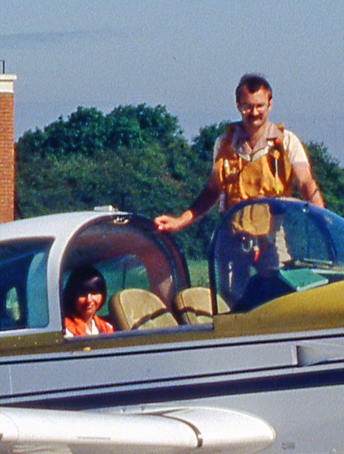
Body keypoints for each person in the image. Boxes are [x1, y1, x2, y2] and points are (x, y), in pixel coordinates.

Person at [154, 74, 324, 234]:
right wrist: (180, 221)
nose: (254, 112)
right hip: (233, 235)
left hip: (274, 235)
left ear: (270, 104)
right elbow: (212, 190)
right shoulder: (224, 143)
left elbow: (305, 182)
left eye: (260, 106)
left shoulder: (287, 141)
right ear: (238, 105)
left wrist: (322, 219)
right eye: (248, 106)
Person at [62, 266, 114, 337]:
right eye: (82, 294)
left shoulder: (106, 327)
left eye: (94, 293)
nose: (89, 300)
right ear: (72, 296)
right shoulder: (66, 330)